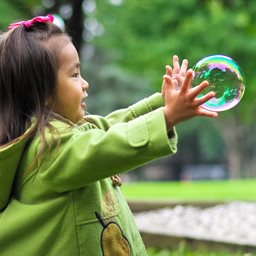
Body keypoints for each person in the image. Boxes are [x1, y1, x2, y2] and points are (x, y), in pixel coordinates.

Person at [0, 15, 217, 256]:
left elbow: (109, 127)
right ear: (44, 92)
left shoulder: (65, 135)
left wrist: (162, 104)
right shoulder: (49, 150)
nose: (85, 84)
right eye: (74, 75)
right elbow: (107, 145)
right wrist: (166, 117)